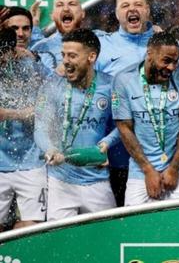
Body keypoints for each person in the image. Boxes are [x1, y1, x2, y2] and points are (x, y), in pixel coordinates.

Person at [35, 29, 117, 219]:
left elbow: (122, 125)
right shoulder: (52, 85)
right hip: (60, 182)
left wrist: (106, 144)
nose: (65, 61)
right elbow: (40, 127)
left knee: (105, 242)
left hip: (97, 181)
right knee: (58, 244)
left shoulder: (111, 86)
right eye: (63, 55)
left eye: (72, 55)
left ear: (91, 57)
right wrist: (50, 149)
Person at [112, 32, 179, 205]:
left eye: (175, 61)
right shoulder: (124, 79)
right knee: (137, 229)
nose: (172, 67)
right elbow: (124, 127)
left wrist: (174, 167)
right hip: (140, 172)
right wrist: (148, 170)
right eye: (166, 61)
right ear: (149, 54)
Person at [96, 0, 157, 207]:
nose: (132, 9)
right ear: (116, 14)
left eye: (138, 4)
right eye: (125, 6)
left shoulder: (164, 44)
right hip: (110, 157)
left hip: (153, 159)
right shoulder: (102, 46)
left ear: (148, 10)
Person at [0, 28, 48, 230]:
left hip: (32, 162)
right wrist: (25, 113)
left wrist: (35, 58)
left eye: (3, 53)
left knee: (33, 226)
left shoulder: (32, 65)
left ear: (12, 51)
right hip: (0, 163)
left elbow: (56, 88)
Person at [32, 0, 85, 73]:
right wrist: (34, 29)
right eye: (60, 5)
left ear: (82, 13)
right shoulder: (40, 48)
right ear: (52, 16)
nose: (66, 9)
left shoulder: (101, 41)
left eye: (72, 4)